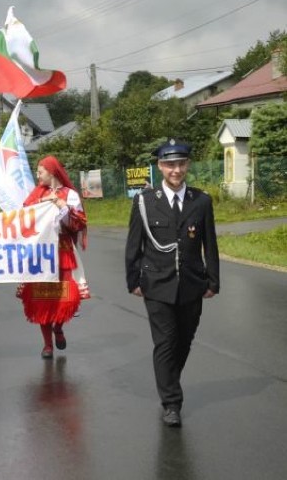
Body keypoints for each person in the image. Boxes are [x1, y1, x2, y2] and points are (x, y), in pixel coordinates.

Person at [125, 139, 219, 428]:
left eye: (180, 164)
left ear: (187, 164)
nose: (175, 170)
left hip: (192, 283)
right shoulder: (144, 201)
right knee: (165, 342)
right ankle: (172, 403)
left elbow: (210, 245)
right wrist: (133, 280)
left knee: (184, 341)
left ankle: (168, 380)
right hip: (156, 284)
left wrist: (213, 281)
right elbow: (134, 245)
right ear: (160, 166)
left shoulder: (201, 201)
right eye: (169, 164)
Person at [16, 156, 88, 359]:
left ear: (52, 172)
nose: (38, 175)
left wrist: (59, 204)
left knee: (65, 298)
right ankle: (47, 344)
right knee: (41, 299)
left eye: (40, 171)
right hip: (40, 253)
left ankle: (58, 327)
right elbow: (24, 218)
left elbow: (77, 223)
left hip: (62, 250)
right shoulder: (36, 194)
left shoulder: (70, 195)